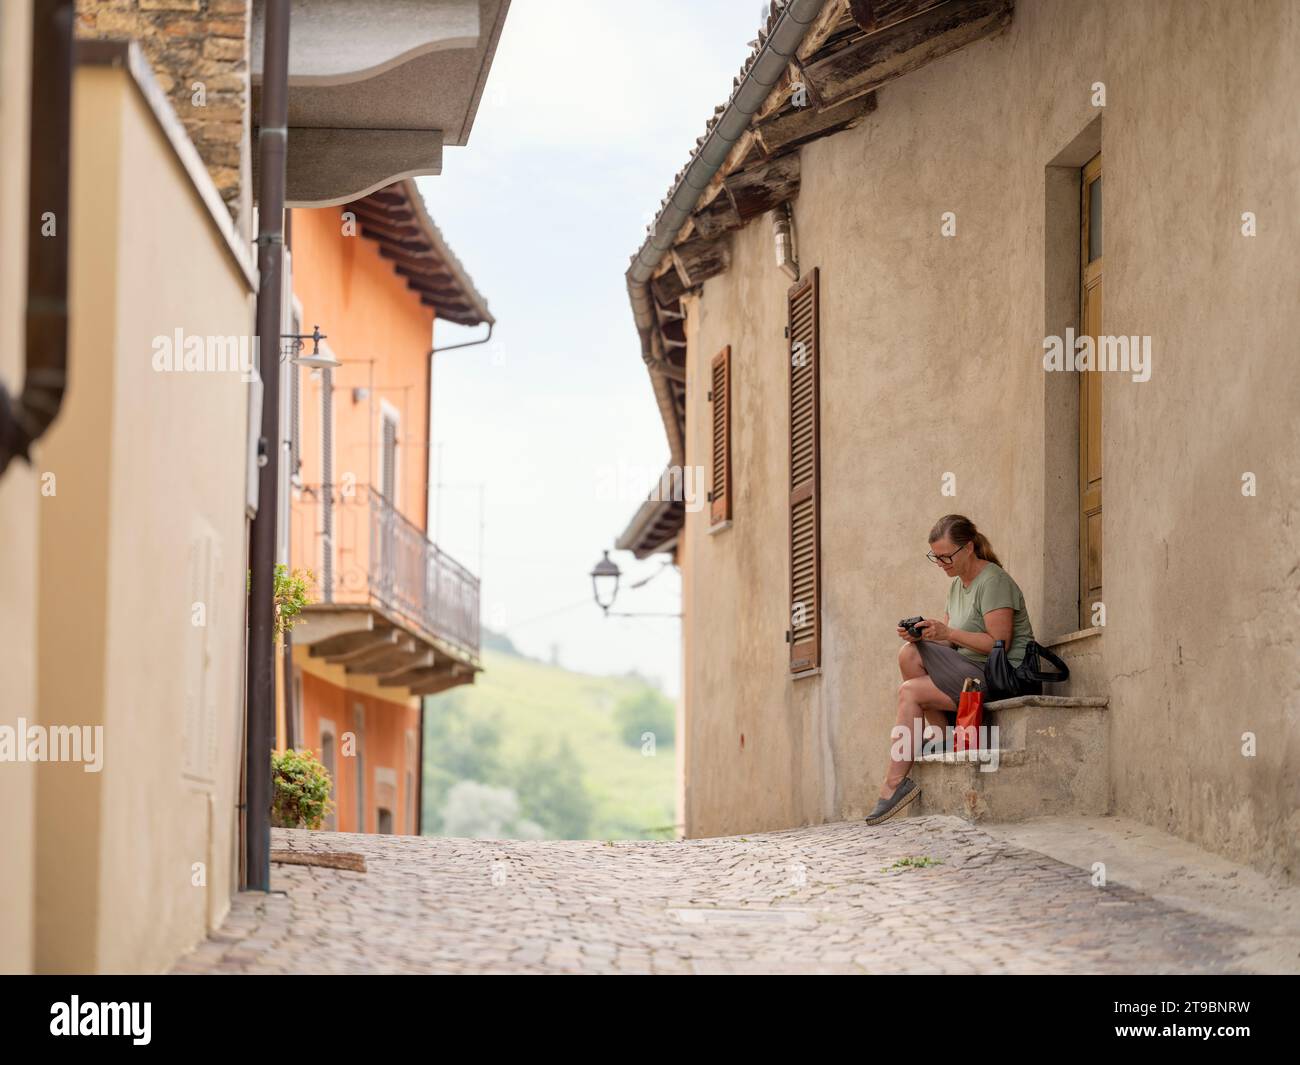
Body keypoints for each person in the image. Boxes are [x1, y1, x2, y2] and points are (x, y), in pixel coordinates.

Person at [865, 514, 1037, 825]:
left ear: (968, 547)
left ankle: (894, 784)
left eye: (946, 555)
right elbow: (955, 645)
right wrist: (926, 634)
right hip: (968, 669)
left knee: (910, 692)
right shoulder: (957, 585)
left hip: (1000, 675)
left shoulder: (994, 581)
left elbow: (999, 643)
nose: (941, 562)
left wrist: (949, 634)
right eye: (936, 556)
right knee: (909, 653)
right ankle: (943, 733)